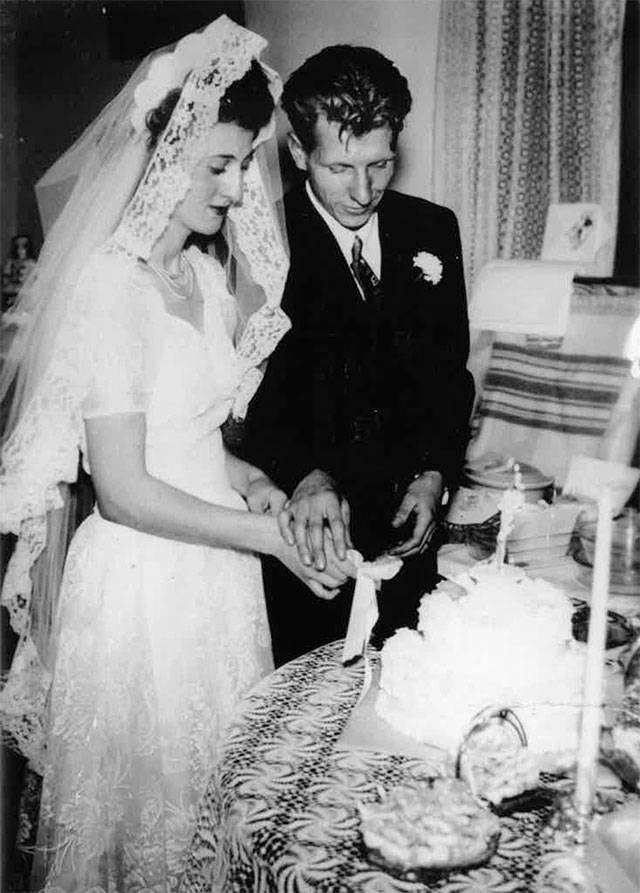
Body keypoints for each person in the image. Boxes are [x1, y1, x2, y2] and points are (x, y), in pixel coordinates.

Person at [0, 17, 351, 891]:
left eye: (244, 163)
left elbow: (199, 440)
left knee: (215, 811)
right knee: (145, 830)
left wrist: (260, 485)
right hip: (143, 588)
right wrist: (260, 537)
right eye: (221, 164)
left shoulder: (197, 275)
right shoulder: (109, 286)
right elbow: (120, 488)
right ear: (164, 153)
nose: (239, 188)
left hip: (218, 578)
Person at [242, 45, 475, 666]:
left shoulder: (433, 229)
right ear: (298, 153)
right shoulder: (259, 242)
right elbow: (243, 399)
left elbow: (451, 376)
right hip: (312, 540)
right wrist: (305, 474)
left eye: (381, 164)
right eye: (342, 167)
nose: (364, 189)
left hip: (407, 532)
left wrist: (434, 474)